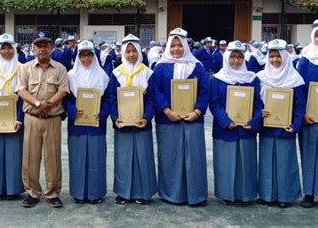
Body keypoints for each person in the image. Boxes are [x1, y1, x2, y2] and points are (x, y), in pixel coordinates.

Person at [153, 28, 209, 207]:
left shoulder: (197, 66)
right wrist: (167, 111)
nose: (176, 49)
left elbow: (204, 90)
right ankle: (171, 194)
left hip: (193, 119)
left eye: (180, 45)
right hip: (168, 120)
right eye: (173, 46)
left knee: (194, 158)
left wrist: (197, 111)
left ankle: (196, 195)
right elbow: (156, 91)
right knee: (171, 157)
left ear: (185, 46)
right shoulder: (161, 67)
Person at [16, 34, 69, 208]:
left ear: (51, 48)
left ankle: (52, 193)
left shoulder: (60, 68)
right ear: (34, 49)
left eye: (46, 45)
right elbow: (21, 90)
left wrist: (49, 104)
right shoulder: (25, 68)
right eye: (39, 46)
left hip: (52, 118)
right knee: (30, 157)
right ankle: (32, 192)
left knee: (52, 158)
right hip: (32, 118)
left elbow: (63, 90)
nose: (42, 49)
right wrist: (38, 103)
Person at [209, 41, 262, 205]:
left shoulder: (251, 78)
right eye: (232, 57)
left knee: (245, 163)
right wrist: (226, 121)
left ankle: (244, 195)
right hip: (225, 130)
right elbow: (214, 103)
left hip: (246, 130)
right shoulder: (217, 79)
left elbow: (258, 104)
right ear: (226, 57)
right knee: (226, 162)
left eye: (240, 57)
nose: (236, 61)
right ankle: (227, 194)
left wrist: (253, 122)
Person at [108, 33, 157, 205]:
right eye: (127, 51)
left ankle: (142, 192)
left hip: (142, 123)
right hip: (123, 124)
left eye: (133, 51)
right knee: (123, 158)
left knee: (142, 157)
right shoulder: (116, 73)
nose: (130, 55)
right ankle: (123, 192)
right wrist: (115, 117)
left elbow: (151, 98)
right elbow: (111, 98)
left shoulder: (148, 73)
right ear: (122, 53)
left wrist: (146, 117)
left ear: (139, 52)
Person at [257, 39, 305, 208]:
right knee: (266, 161)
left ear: (285, 56)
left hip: (286, 128)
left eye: (278, 56)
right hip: (267, 127)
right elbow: (256, 103)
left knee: (285, 162)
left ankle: (286, 196)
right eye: (272, 56)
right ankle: (266, 195)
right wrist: (259, 113)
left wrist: (295, 125)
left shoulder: (295, 79)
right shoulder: (261, 77)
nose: (275, 60)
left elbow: (300, 106)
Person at [63, 40, 110, 204]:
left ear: (94, 56)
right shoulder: (70, 76)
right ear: (78, 57)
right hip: (77, 124)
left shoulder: (102, 76)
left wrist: (103, 113)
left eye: (89, 55)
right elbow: (65, 99)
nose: (86, 59)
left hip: (96, 124)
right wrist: (71, 110)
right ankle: (78, 193)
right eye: (82, 55)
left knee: (96, 158)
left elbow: (108, 99)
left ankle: (95, 194)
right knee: (78, 159)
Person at [0, 33, 25, 201]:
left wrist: (19, 119)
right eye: (4, 48)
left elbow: (24, 97)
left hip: (15, 118)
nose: (7, 51)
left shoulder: (22, 69)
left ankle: (13, 189)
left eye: (10, 48)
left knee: (14, 154)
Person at [296, 20, 318, 208]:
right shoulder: (305, 59)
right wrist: (302, 113)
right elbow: (299, 89)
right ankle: (309, 193)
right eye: (317, 35)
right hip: (309, 118)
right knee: (309, 153)